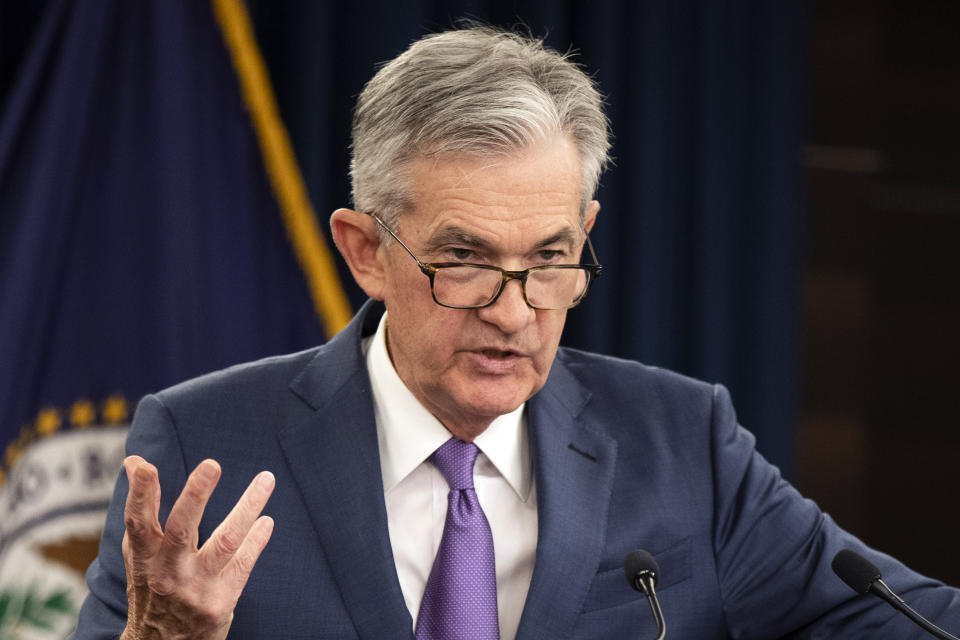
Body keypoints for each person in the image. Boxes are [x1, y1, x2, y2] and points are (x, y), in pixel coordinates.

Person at [76, 26, 960, 639]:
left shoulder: (683, 441)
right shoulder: (204, 444)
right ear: (366, 251)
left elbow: (896, 615)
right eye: (463, 258)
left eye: (551, 258)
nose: (513, 310)